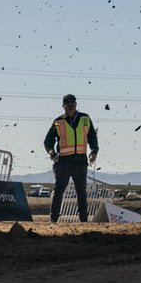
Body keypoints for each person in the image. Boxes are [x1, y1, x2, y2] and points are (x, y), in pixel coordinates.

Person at [45, 94, 99, 223]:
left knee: (81, 192)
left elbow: (92, 136)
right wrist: (51, 151)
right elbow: (48, 140)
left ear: (76, 104)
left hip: (80, 161)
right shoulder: (58, 121)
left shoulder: (85, 118)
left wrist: (94, 150)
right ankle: (53, 219)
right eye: (67, 103)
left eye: (72, 103)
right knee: (59, 191)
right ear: (63, 106)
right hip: (63, 162)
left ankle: (83, 220)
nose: (70, 105)